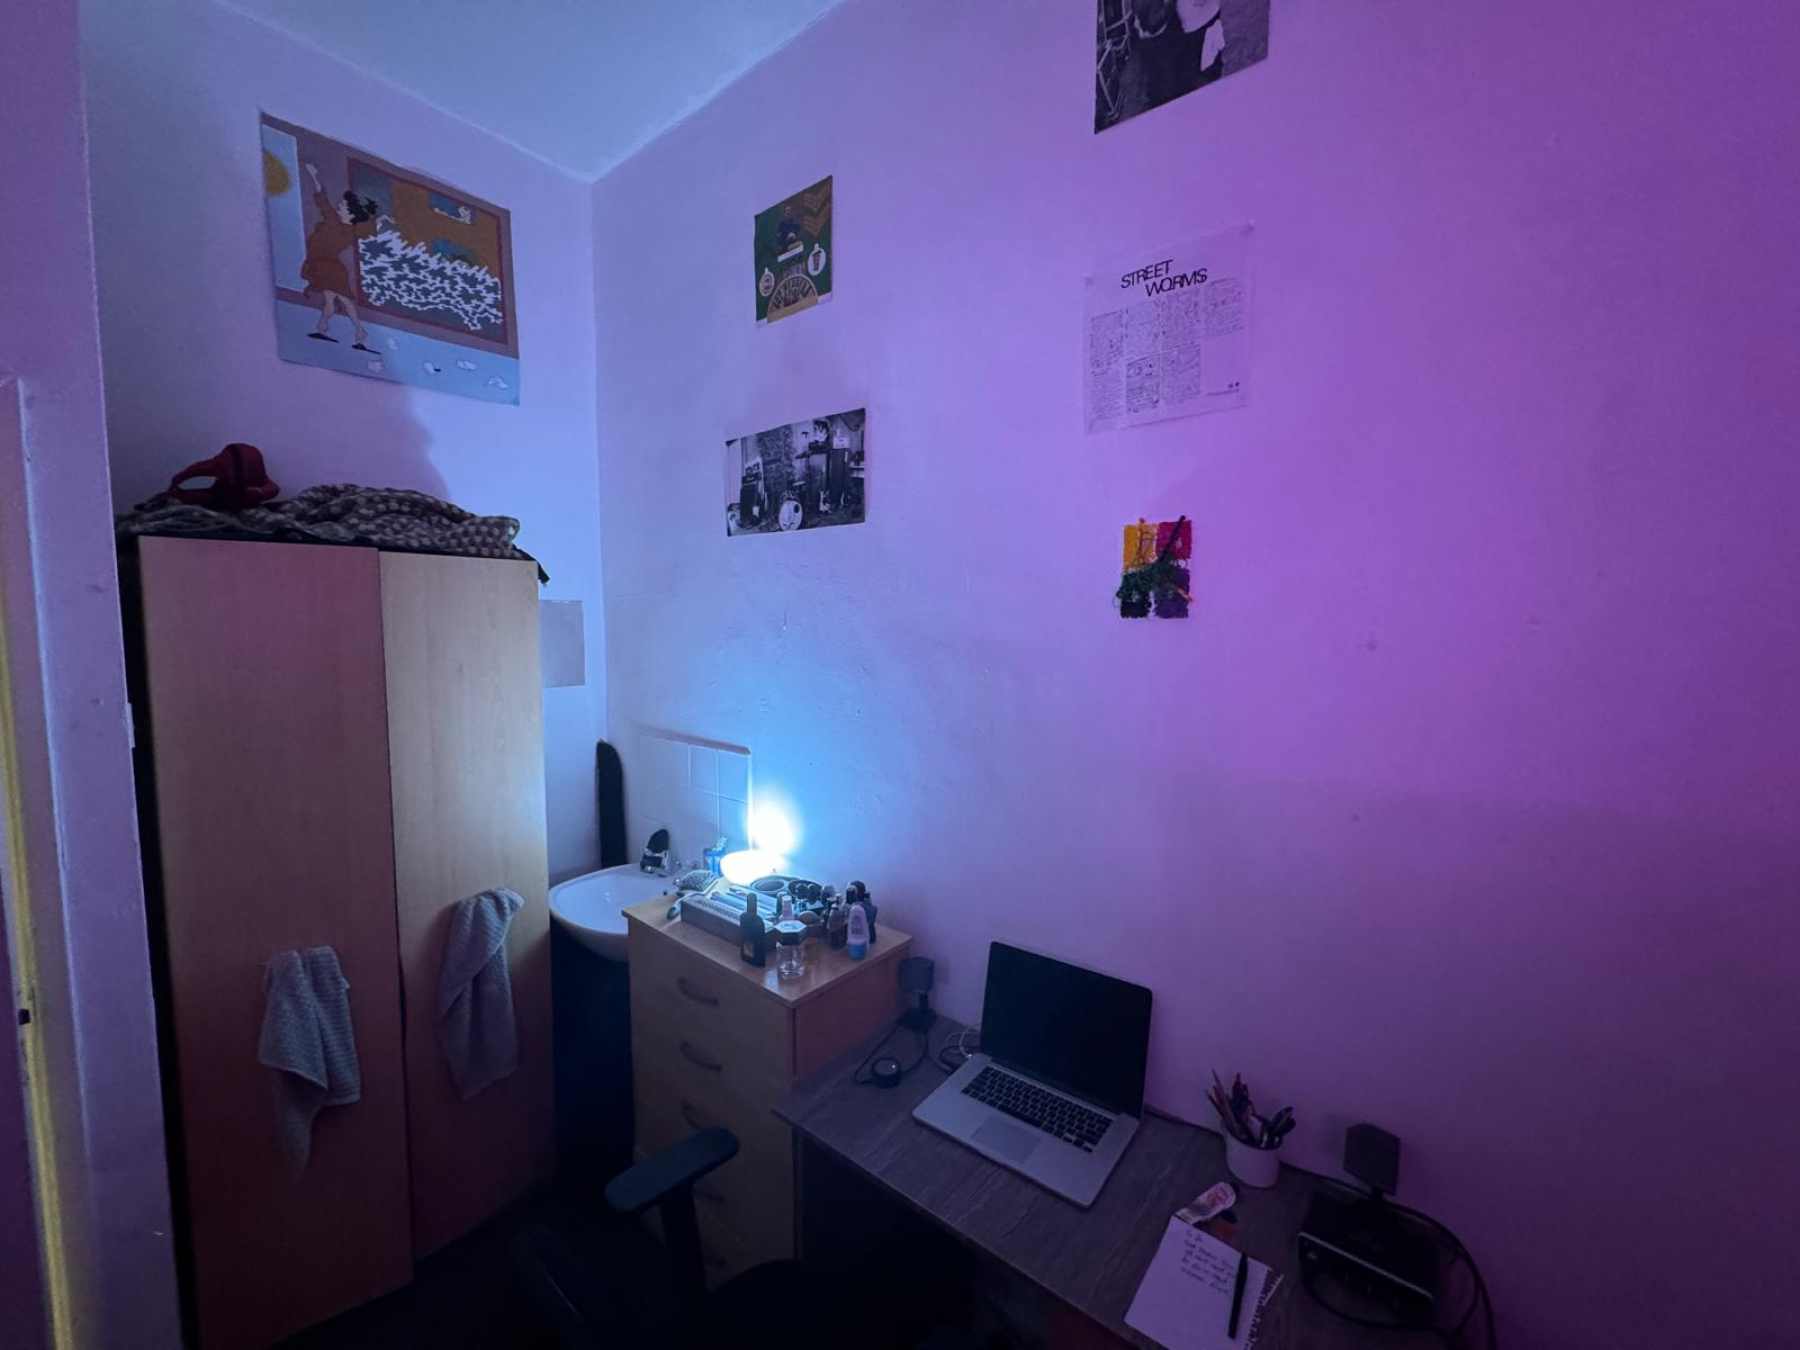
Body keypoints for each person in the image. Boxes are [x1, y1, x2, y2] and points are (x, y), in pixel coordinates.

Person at [300, 162, 387, 351]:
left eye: (343, 206)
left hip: (330, 269)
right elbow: (369, 226)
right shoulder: (352, 231)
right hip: (327, 267)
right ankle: (325, 328)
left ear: (350, 214)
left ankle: (357, 331)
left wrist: (314, 176)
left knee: (342, 300)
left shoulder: (335, 223)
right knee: (332, 300)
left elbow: (322, 201)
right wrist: (381, 219)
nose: (339, 206)